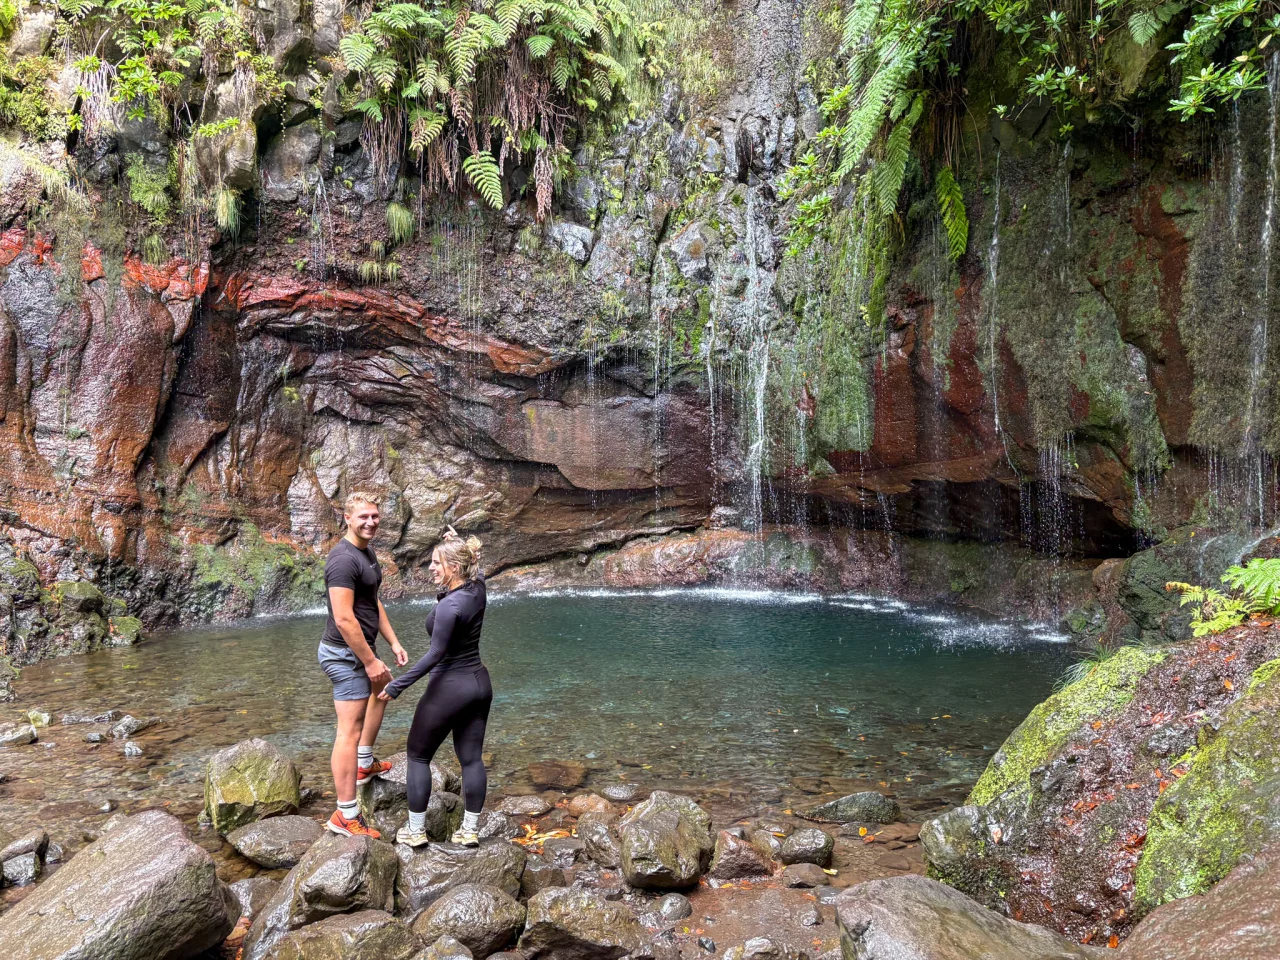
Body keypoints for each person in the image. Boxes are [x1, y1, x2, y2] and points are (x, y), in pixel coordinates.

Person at [378, 529, 490, 848]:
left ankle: (415, 832)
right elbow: (476, 568)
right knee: (471, 759)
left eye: (436, 562)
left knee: (417, 755)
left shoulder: (448, 607)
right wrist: (457, 539)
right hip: (479, 685)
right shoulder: (477, 589)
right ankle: (469, 830)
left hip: (450, 687)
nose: (430, 567)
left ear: (454, 567)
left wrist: (398, 685)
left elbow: (435, 654)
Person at [318, 490, 409, 838]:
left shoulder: (366, 553)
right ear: (347, 519)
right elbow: (343, 618)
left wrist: (394, 642)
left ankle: (365, 763)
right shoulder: (342, 560)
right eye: (363, 517)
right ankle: (345, 815)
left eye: (374, 516)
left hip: (360, 650)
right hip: (344, 654)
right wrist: (370, 661)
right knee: (347, 733)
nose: (370, 522)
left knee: (382, 691)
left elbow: (372, 603)